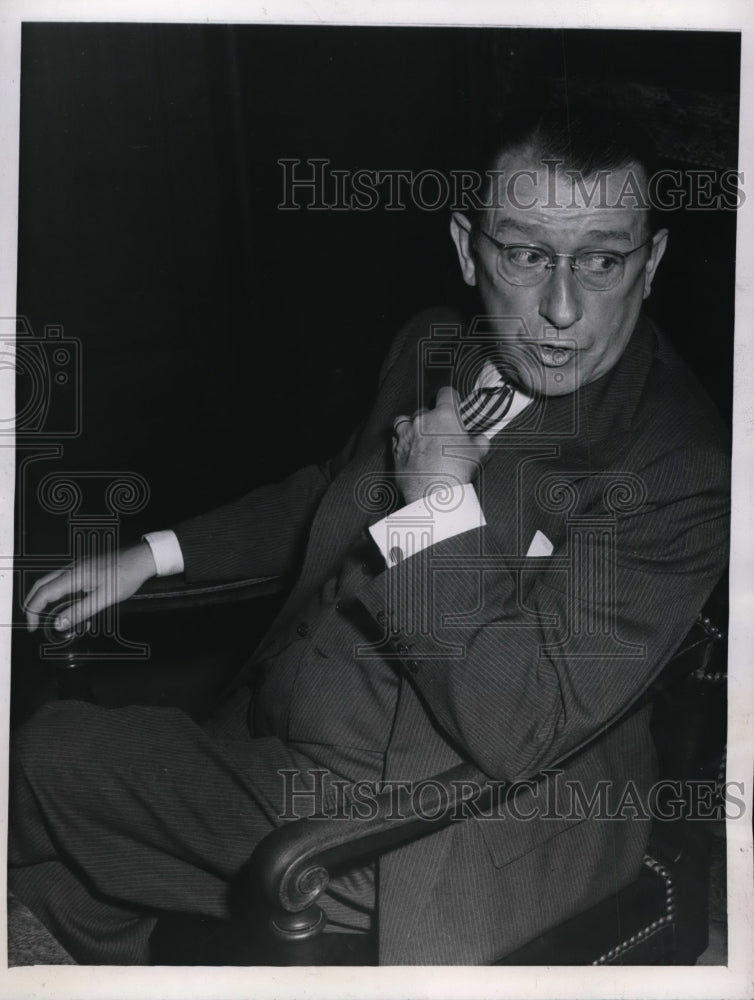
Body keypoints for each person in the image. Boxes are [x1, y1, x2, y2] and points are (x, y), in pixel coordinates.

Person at [10, 104, 730, 965]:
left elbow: (520, 727)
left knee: (44, 759)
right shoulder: (435, 346)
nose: (563, 309)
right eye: (527, 254)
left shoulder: (678, 466)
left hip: (439, 821)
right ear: (468, 249)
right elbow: (332, 491)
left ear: (650, 263)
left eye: (602, 261)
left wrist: (437, 506)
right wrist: (150, 556)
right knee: (58, 891)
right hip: (279, 735)